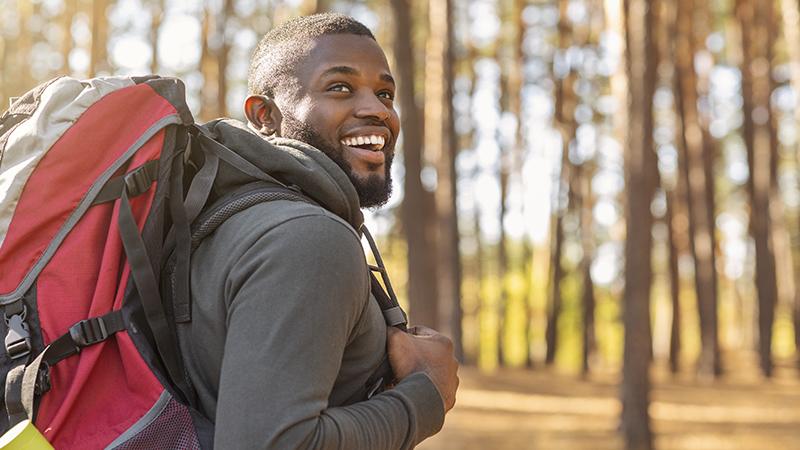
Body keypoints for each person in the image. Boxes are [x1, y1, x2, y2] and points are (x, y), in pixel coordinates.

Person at [180, 13, 459, 449]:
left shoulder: (230, 220)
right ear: (265, 115)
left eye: (385, 93)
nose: (378, 110)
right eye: (340, 88)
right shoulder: (307, 238)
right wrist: (427, 395)